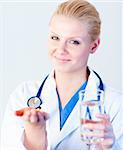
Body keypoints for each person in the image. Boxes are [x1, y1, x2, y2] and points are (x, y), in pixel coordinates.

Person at [1, 0, 123, 149]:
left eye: (74, 42)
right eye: (55, 38)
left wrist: (110, 146)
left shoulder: (115, 105)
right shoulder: (23, 95)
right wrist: (34, 137)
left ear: (94, 45)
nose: (61, 49)